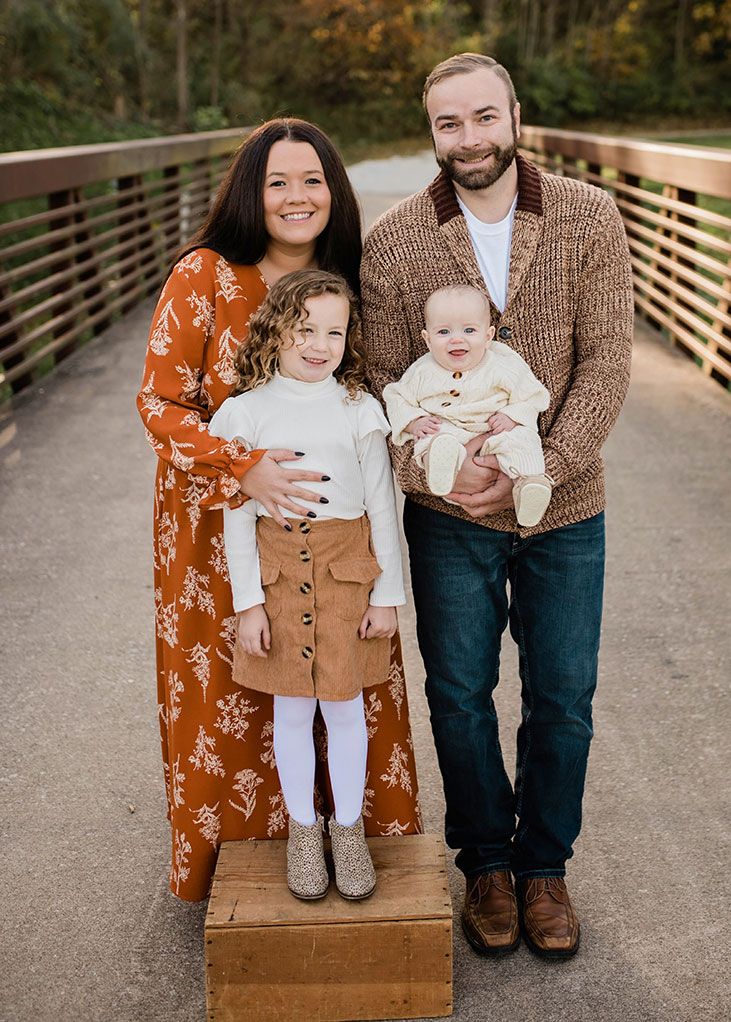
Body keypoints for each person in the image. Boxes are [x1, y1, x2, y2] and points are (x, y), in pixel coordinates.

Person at [361, 53, 633, 958]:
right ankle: (486, 863)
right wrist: (428, 474)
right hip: (448, 515)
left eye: (484, 117)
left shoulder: (590, 216)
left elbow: (607, 362)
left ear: (516, 114)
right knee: (460, 694)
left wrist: (540, 466)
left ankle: (545, 867)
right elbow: (376, 381)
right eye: (449, 123)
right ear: (430, 131)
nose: (469, 138)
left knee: (563, 695)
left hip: (566, 505)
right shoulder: (395, 241)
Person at [137, 118, 421, 903]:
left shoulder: (347, 279)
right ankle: (249, 859)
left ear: (335, 191)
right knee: (235, 685)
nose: (298, 198)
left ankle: (350, 837)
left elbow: (385, 396)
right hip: (215, 526)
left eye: (313, 181)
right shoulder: (206, 275)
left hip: (339, 543)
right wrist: (243, 468)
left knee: (341, 682)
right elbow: (159, 404)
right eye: (278, 183)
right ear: (248, 193)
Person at [207, 269, 403, 901]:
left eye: (335, 332)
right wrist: (249, 605)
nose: (320, 344)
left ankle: (347, 832)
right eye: (305, 330)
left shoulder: (358, 408)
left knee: (345, 707)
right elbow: (237, 515)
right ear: (275, 332)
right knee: (291, 710)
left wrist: (388, 596)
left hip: (347, 573)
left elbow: (382, 506)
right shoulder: (245, 411)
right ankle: (302, 831)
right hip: (279, 575)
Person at [383, 283, 551, 526]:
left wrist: (513, 416)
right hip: (447, 430)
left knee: (522, 440)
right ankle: (440, 465)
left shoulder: (503, 363)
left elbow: (533, 395)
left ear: (488, 335)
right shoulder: (422, 369)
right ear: (427, 339)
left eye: (469, 330)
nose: (456, 339)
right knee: (432, 437)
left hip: (496, 431)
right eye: (443, 332)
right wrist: (414, 422)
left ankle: (530, 485)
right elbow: (397, 397)